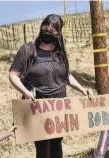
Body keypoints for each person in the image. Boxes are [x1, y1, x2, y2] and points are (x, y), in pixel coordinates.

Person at [9, 14, 92, 158]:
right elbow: (13, 75)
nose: (48, 29)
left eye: (53, 29)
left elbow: (66, 75)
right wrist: (25, 92)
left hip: (59, 106)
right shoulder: (28, 50)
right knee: (42, 145)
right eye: (46, 26)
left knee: (56, 143)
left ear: (58, 34)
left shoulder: (59, 53)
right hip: (37, 106)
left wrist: (82, 88)